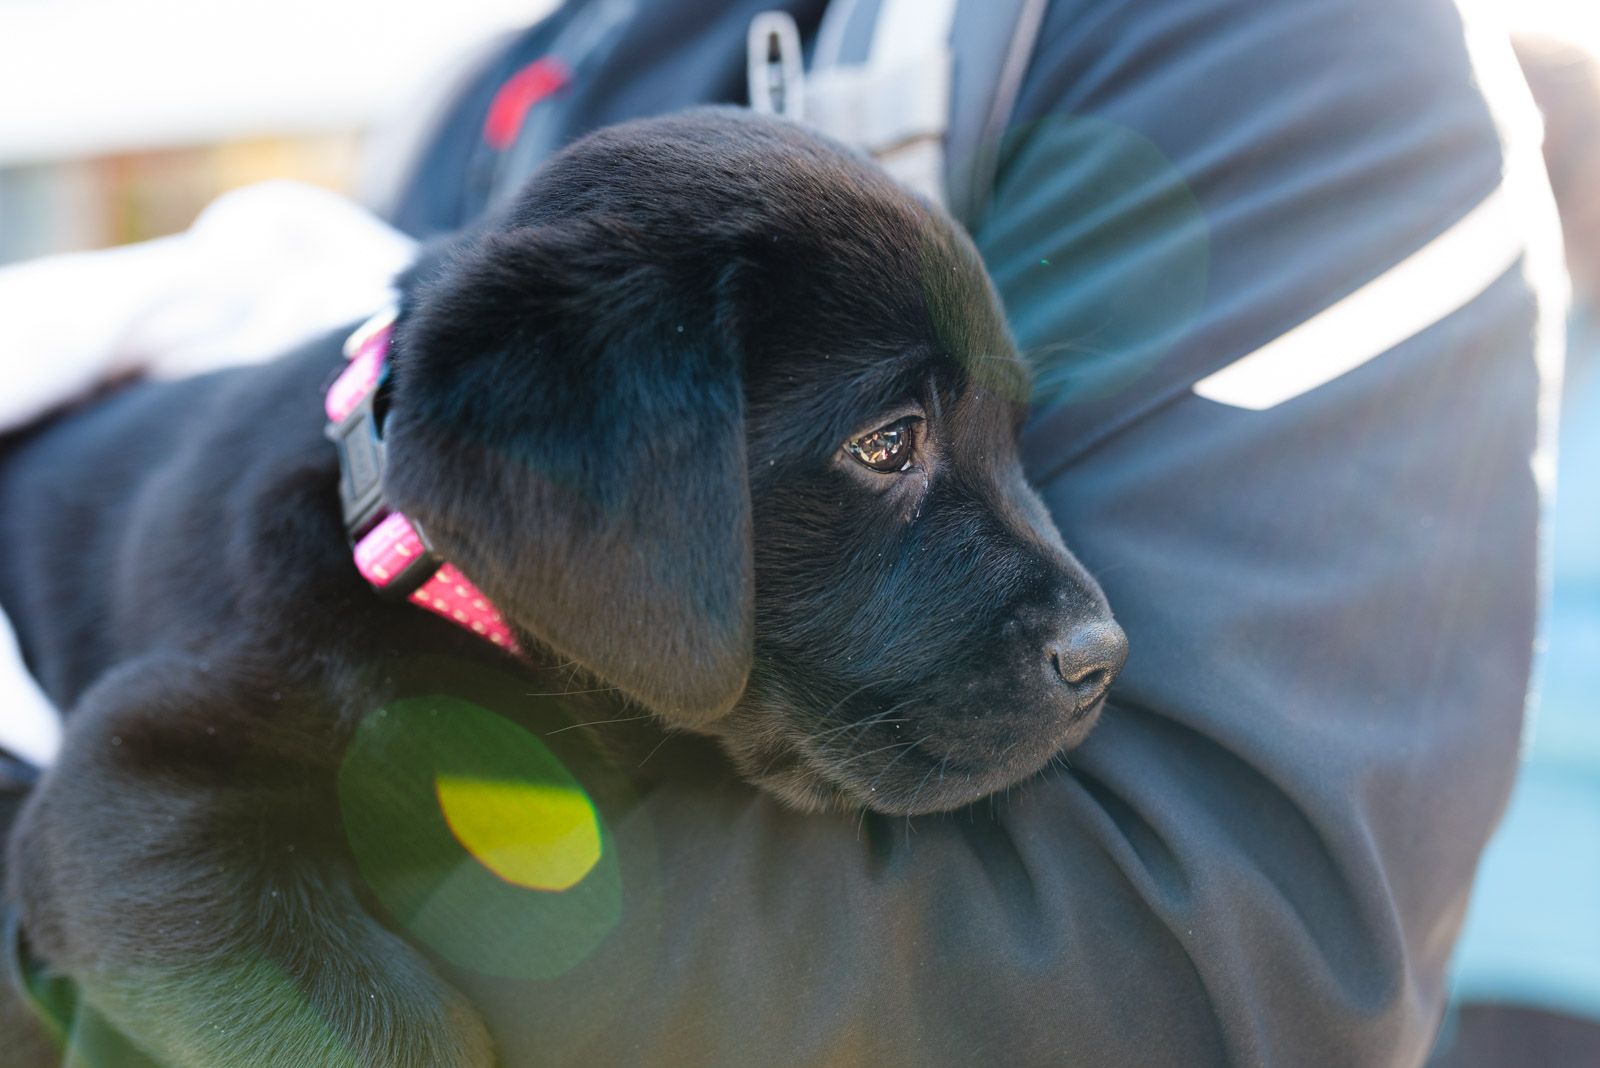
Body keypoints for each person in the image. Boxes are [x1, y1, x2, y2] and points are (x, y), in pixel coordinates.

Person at [4, 0, 1562, 1064]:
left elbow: (1210, 980)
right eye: (892, 445)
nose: (1080, 625)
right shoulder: (517, 80)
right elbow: (144, 821)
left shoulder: (1287, 63)